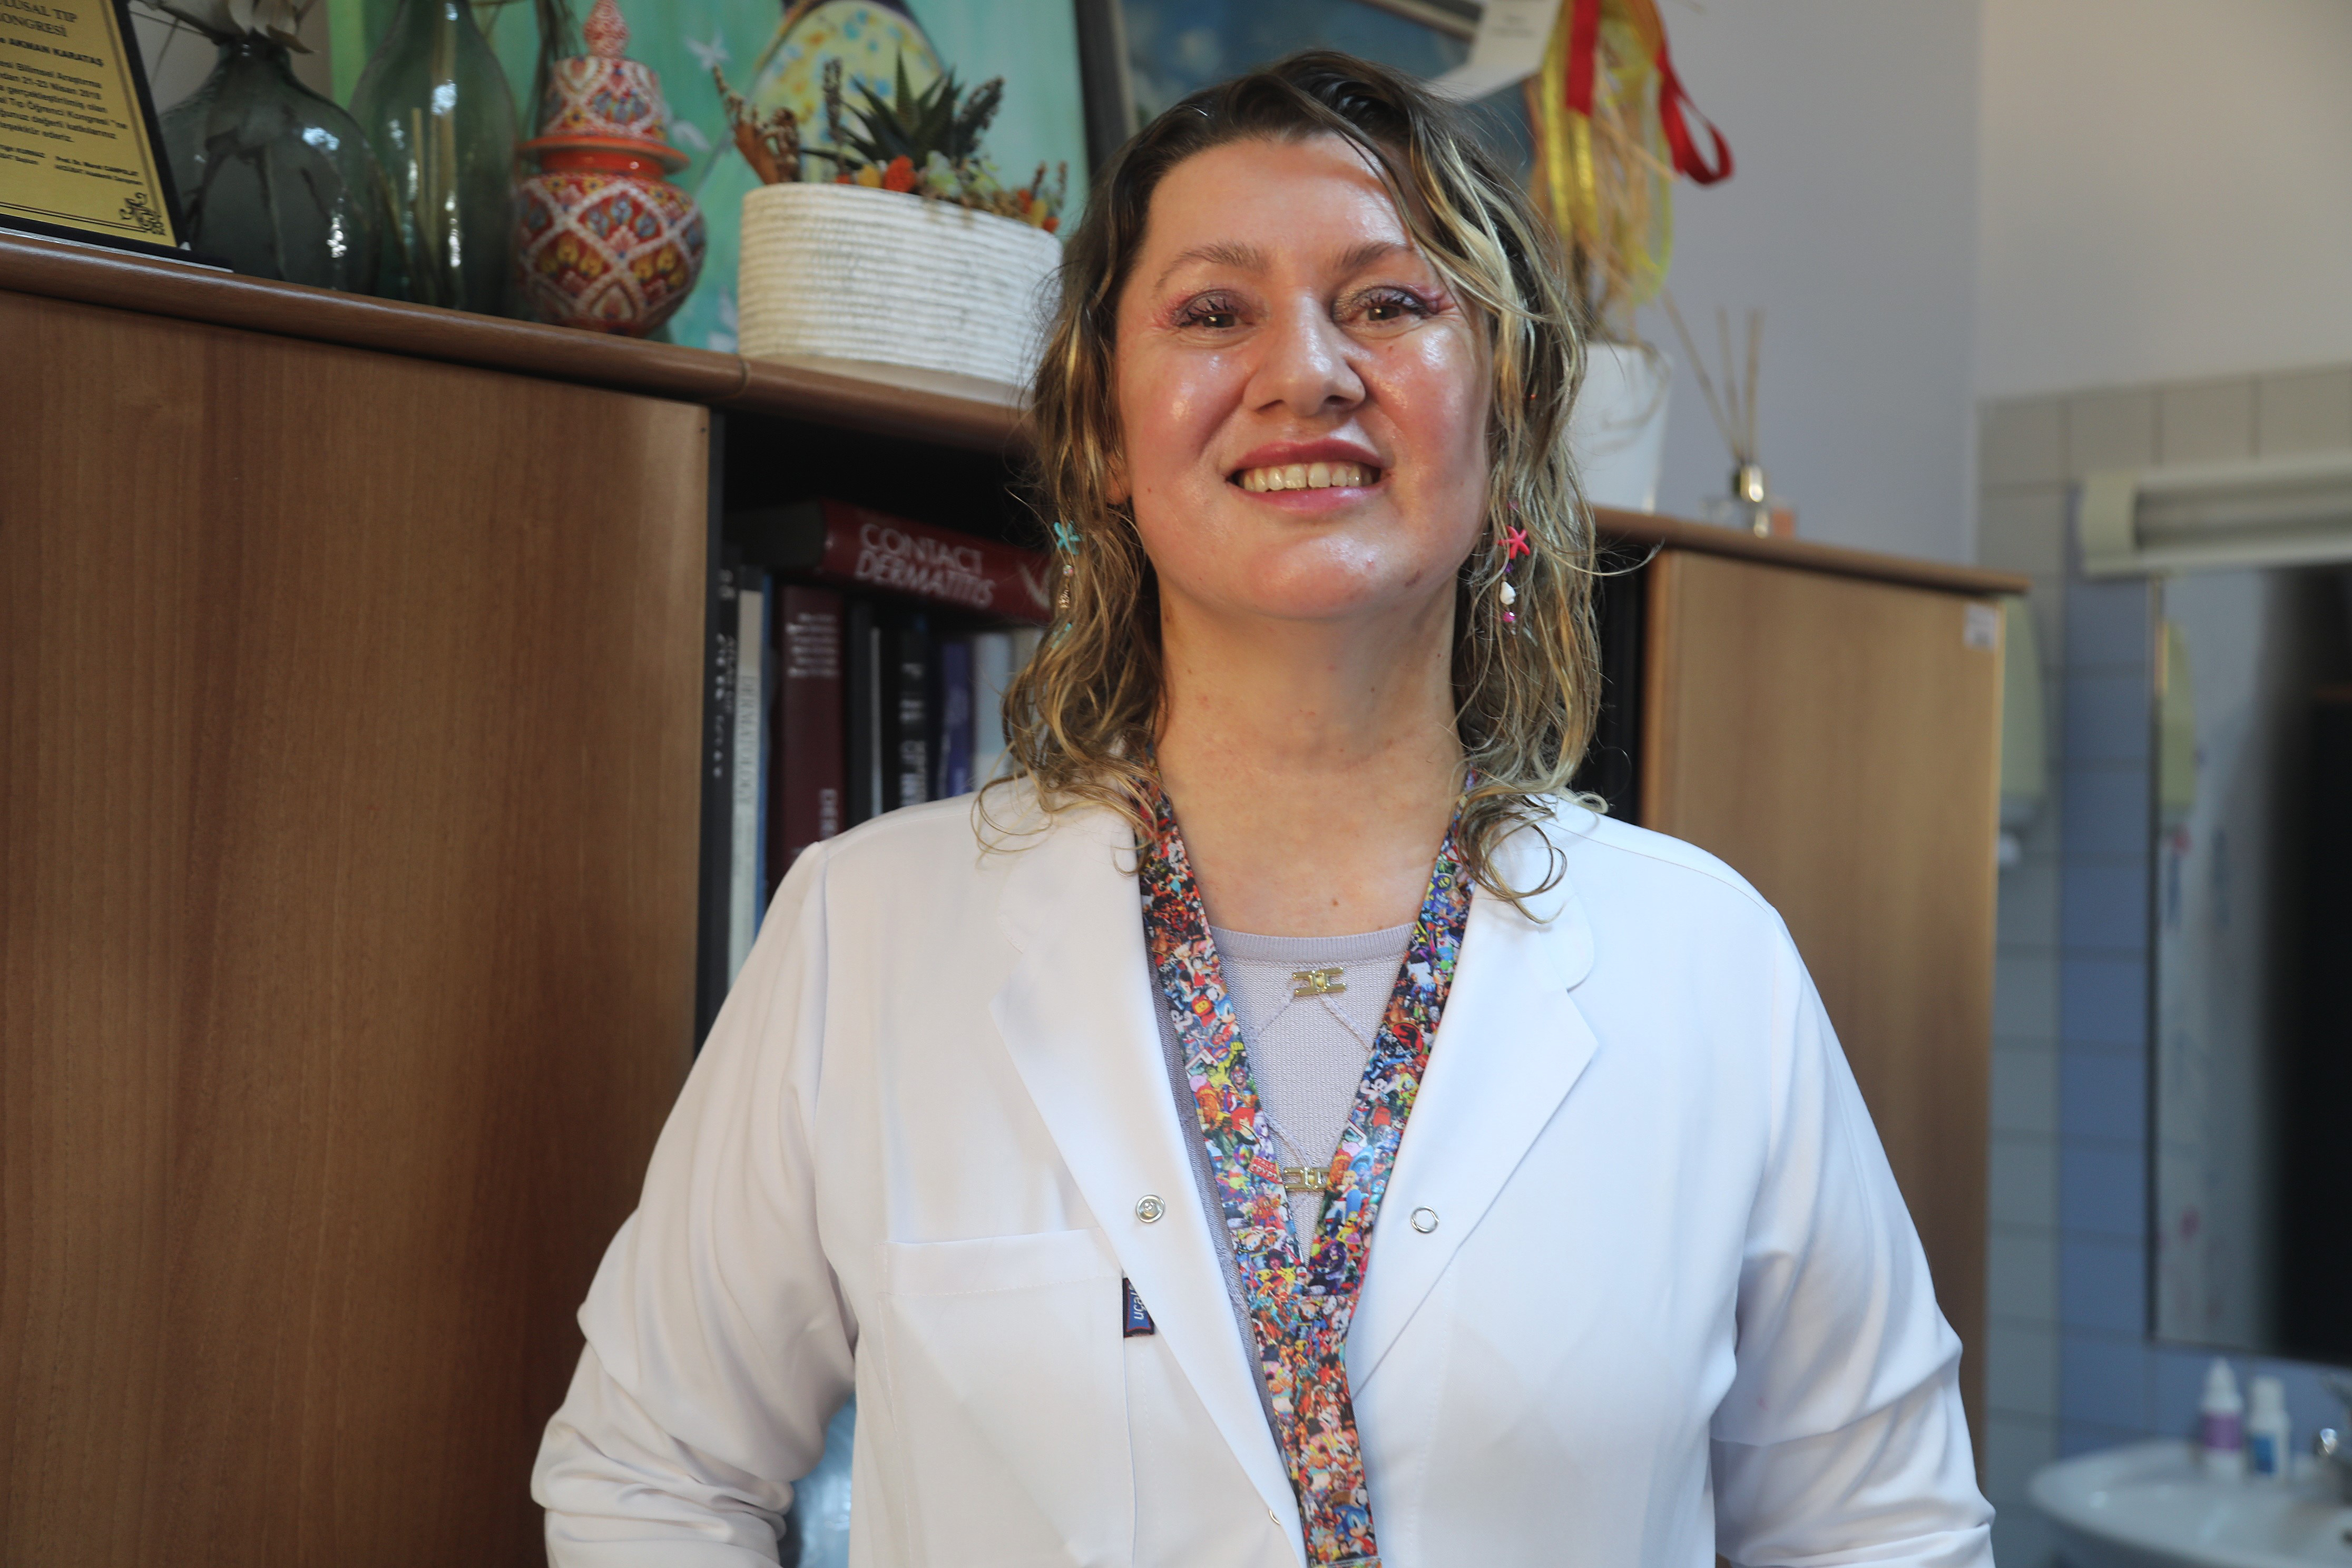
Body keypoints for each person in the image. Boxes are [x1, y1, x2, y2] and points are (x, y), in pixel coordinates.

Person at [533, 51, 1993, 1568]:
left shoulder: (1711, 964)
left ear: (1504, 415)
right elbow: (650, 1473)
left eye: (1390, 303)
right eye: (1215, 313)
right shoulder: (868, 934)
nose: (1307, 372)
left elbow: (1884, 1531)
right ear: (1106, 435)